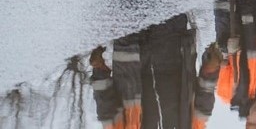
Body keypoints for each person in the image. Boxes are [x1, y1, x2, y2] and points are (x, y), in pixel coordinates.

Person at [89, 15, 221, 129]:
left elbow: (107, 113)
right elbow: (202, 108)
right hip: (173, 46)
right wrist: (210, 70)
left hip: (130, 51)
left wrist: (100, 71)